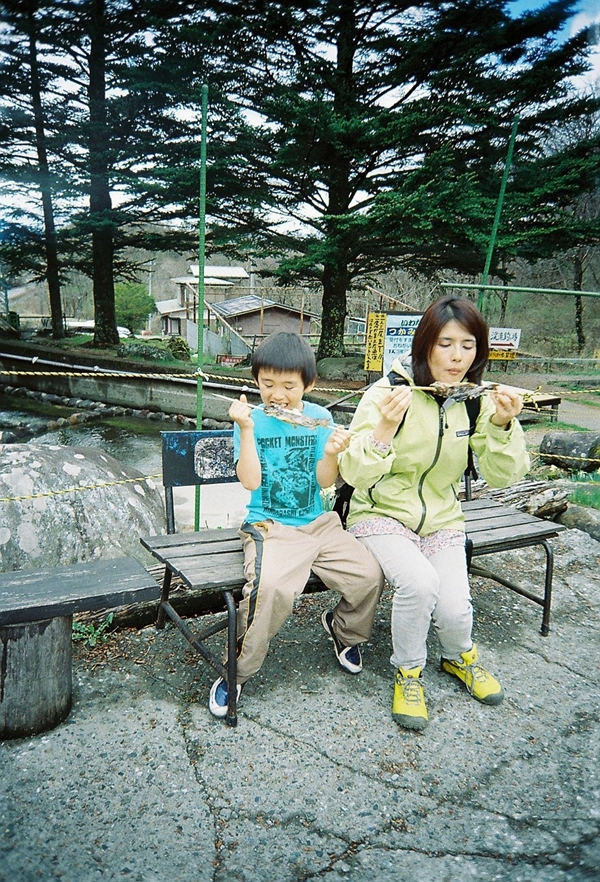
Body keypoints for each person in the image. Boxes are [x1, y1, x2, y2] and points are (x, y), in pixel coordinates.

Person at [338, 295, 530, 732]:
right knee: (420, 585)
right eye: (445, 343)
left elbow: (504, 476)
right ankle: (408, 673)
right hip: (380, 513)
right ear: (425, 344)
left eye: (468, 345)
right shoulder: (387, 391)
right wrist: (385, 429)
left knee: (456, 607)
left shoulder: (476, 401)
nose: (457, 356)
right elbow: (354, 472)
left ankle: (458, 657)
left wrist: (502, 425)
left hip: (442, 517)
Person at [209, 332, 383, 717]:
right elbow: (251, 482)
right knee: (269, 590)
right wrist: (248, 429)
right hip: (270, 525)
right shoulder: (250, 419)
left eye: (289, 386)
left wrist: (334, 453)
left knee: (369, 576)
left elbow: (324, 481)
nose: (278, 395)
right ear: (256, 381)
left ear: (309, 384)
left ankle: (343, 632)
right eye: (267, 384)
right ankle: (236, 672)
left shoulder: (319, 418)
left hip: (318, 523)